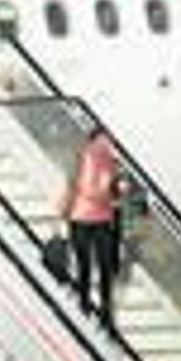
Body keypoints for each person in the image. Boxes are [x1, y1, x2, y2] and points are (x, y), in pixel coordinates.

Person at [61, 126, 121, 330]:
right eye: (105, 139)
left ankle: (99, 308)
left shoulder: (111, 162)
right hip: (84, 217)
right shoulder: (86, 156)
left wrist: (116, 192)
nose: (107, 143)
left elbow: (111, 191)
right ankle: (88, 305)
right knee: (89, 265)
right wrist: (65, 207)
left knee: (98, 265)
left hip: (96, 218)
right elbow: (75, 183)